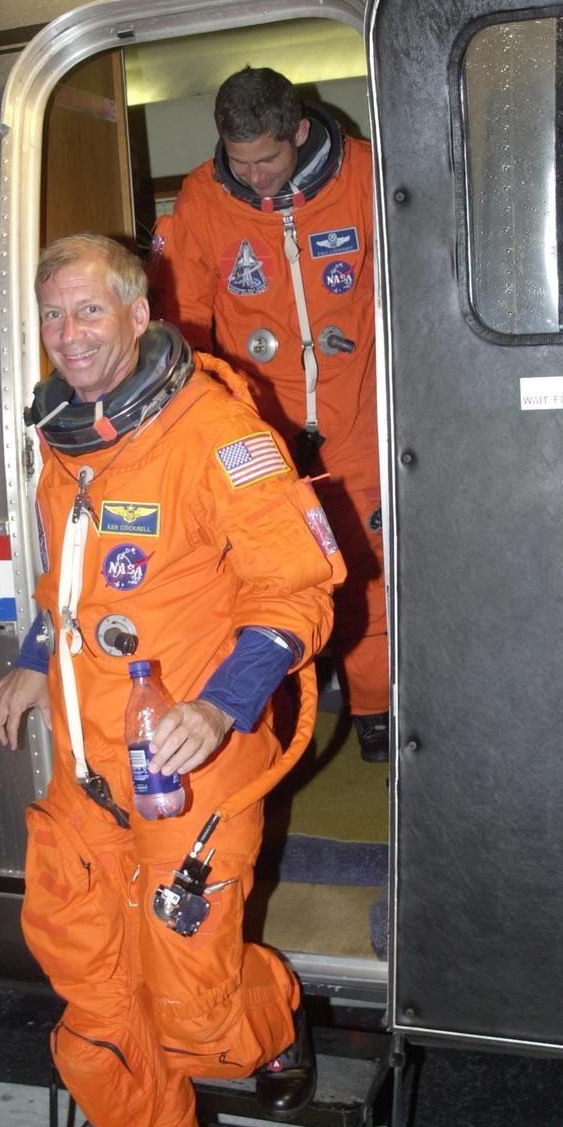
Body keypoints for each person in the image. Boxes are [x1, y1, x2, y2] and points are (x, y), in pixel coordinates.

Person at [0, 234, 337, 1127]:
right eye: (53, 314)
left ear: (140, 315)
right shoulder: (71, 437)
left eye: (88, 310)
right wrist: (32, 658)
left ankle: (270, 1010)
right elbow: (74, 580)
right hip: (88, 777)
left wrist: (221, 708)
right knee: (95, 1014)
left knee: (190, 1018)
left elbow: (296, 590)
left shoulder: (216, 435)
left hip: (191, 771)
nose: (68, 334)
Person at [149, 66, 388, 762]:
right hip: (261, 433)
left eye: (267, 159)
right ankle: (268, 721)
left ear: (300, 132)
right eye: (238, 160)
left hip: (360, 416)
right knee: (268, 579)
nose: (252, 175)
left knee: (365, 568)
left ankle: (374, 709)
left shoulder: (366, 178)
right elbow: (184, 318)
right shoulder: (201, 198)